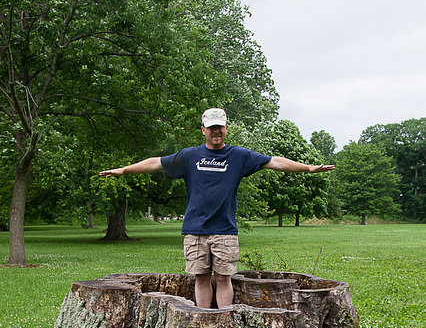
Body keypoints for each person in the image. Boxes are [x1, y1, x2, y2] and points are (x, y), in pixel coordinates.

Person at [99, 108, 335, 309]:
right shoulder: (189, 156)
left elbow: (275, 161)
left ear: (226, 128)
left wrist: (308, 168)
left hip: (225, 231)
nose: (216, 131)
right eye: (211, 127)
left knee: (224, 279)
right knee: (201, 279)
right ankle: (204, 322)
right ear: (203, 129)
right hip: (195, 230)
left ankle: (224, 322)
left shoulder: (239, 156)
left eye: (219, 127)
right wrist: (124, 170)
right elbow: (155, 162)